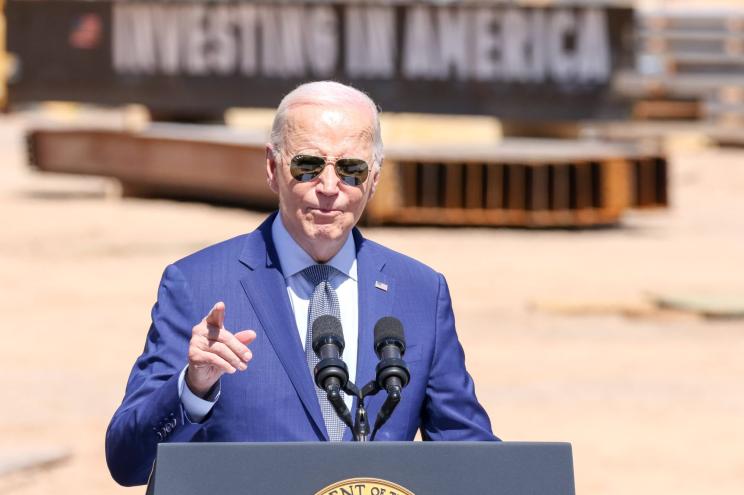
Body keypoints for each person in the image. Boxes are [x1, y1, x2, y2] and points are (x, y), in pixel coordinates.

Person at [105, 81, 497, 487]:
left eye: (351, 170)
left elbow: (466, 448)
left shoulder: (419, 292)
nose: (329, 188)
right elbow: (126, 460)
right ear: (273, 168)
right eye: (308, 165)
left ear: (375, 179)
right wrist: (192, 387)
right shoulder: (198, 284)